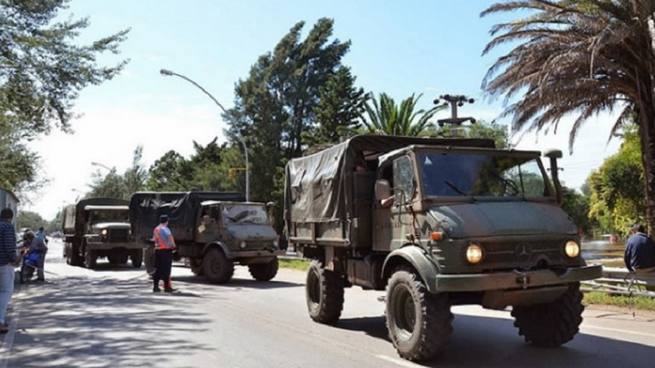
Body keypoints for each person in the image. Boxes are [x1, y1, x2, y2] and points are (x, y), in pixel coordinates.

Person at [0, 209, 17, 333]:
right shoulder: (8, 227)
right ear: (11, 217)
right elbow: (9, 246)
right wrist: (15, 258)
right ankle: (0, 321)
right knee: (6, 291)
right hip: (4, 264)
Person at [152, 214, 176, 293]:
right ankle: (167, 287)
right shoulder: (165, 229)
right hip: (165, 251)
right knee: (166, 269)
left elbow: (154, 239)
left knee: (158, 269)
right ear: (166, 221)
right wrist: (173, 246)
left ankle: (155, 287)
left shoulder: (156, 229)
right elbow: (169, 238)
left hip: (157, 250)